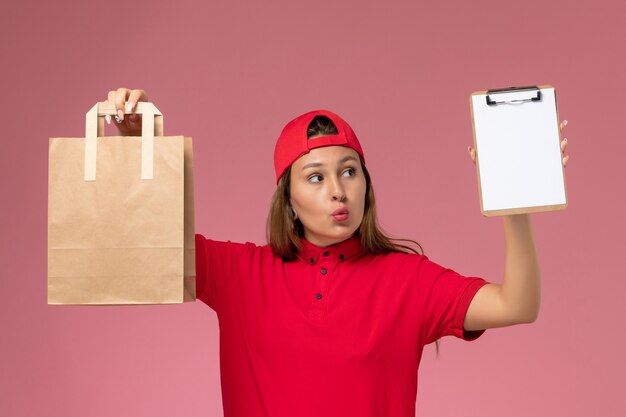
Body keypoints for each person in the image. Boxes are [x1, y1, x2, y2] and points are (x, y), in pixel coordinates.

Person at [104, 88, 570, 417]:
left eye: (349, 172)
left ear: (366, 182)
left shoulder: (408, 279)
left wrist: (516, 202)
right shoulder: (239, 273)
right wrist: (134, 146)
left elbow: (517, 305)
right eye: (315, 177)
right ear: (287, 196)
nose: (337, 190)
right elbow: (146, 244)